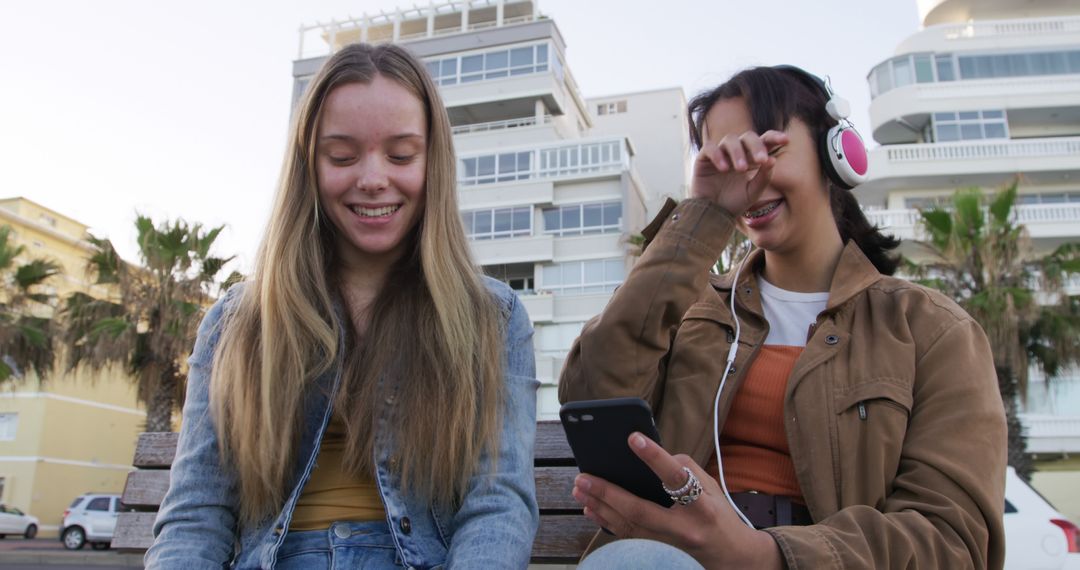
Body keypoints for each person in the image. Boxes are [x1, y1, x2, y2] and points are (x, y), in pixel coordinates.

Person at [559, 65, 1006, 569]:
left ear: (834, 152)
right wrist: (705, 212)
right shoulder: (691, 308)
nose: (746, 175)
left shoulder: (931, 329)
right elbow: (591, 393)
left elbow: (952, 540)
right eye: (724, 156)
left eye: (765, 150)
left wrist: (764, 556)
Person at [145, 43, 540, 569]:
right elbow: (196, 515)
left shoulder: (493, 318)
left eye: (401, 155)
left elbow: (497, 507)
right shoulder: (236, 324)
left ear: (433, 163)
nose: (373, 178)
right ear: (309, 166)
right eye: (342, 156)